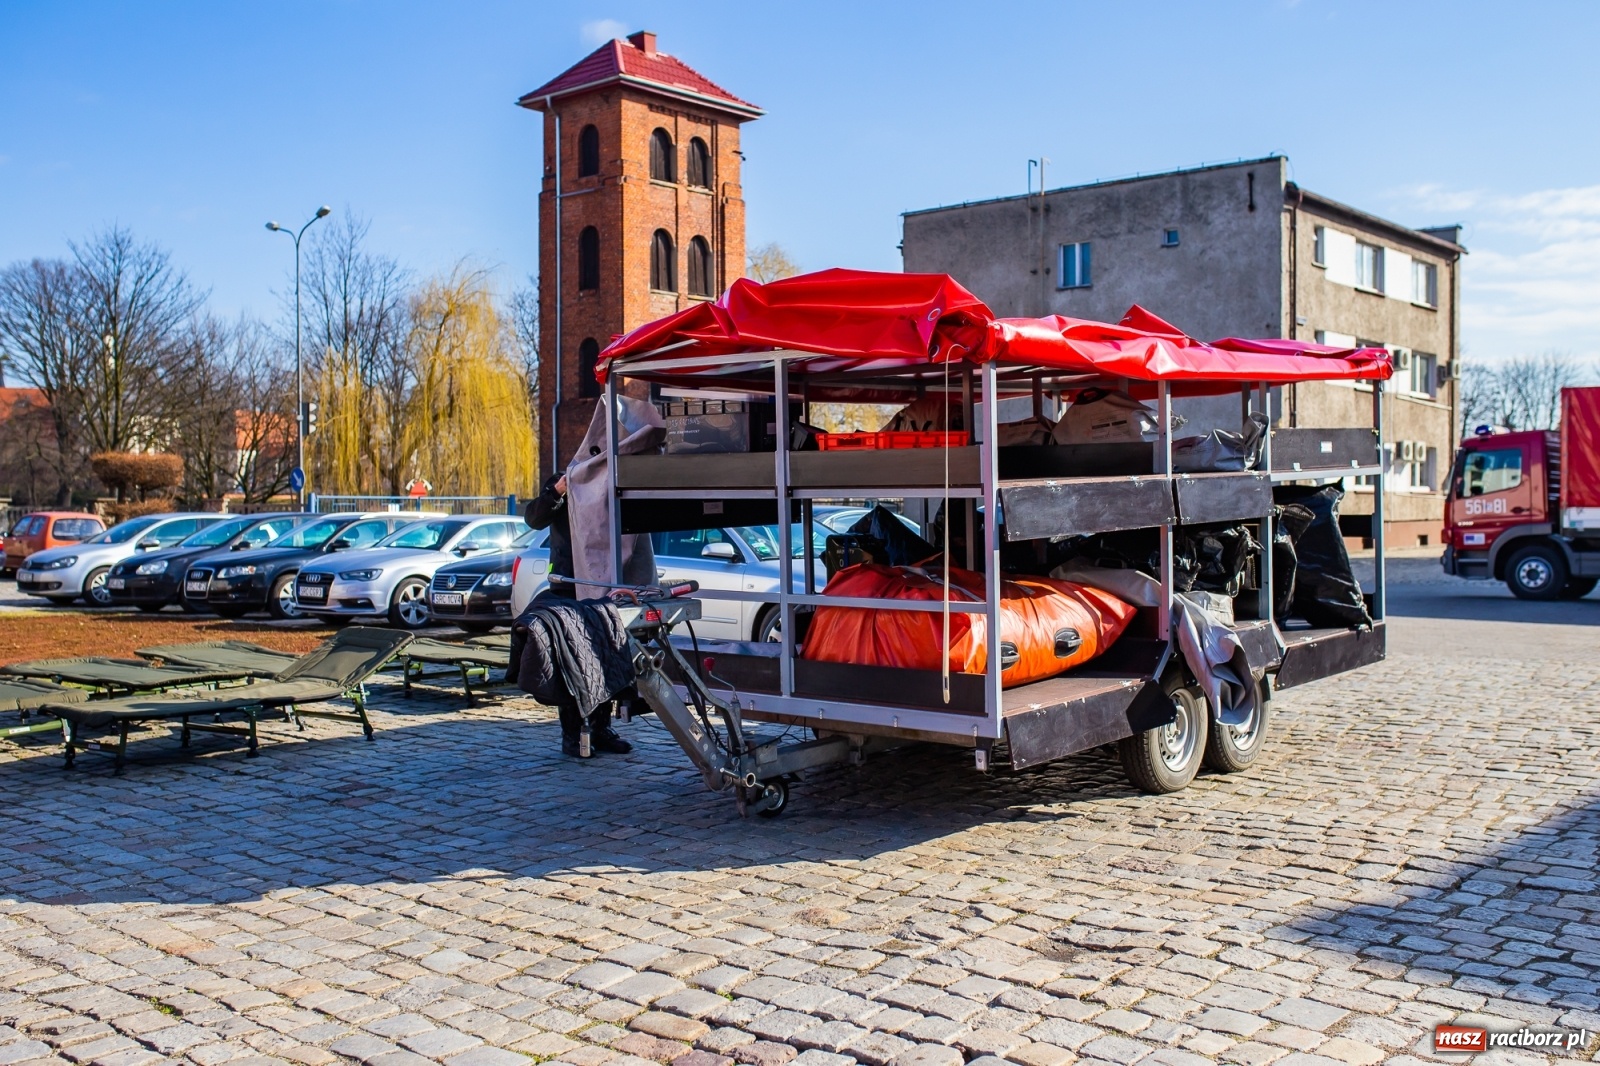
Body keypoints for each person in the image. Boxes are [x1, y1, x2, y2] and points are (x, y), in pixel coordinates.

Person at [523, 471, 632, 758]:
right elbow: (534, 518)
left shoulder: (611, 481)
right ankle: (572, 735)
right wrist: (557, 492)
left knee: (603, 656)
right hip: (567, 584)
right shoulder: (564, 481)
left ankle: (601, 728)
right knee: (572, 657)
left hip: (601, 583)